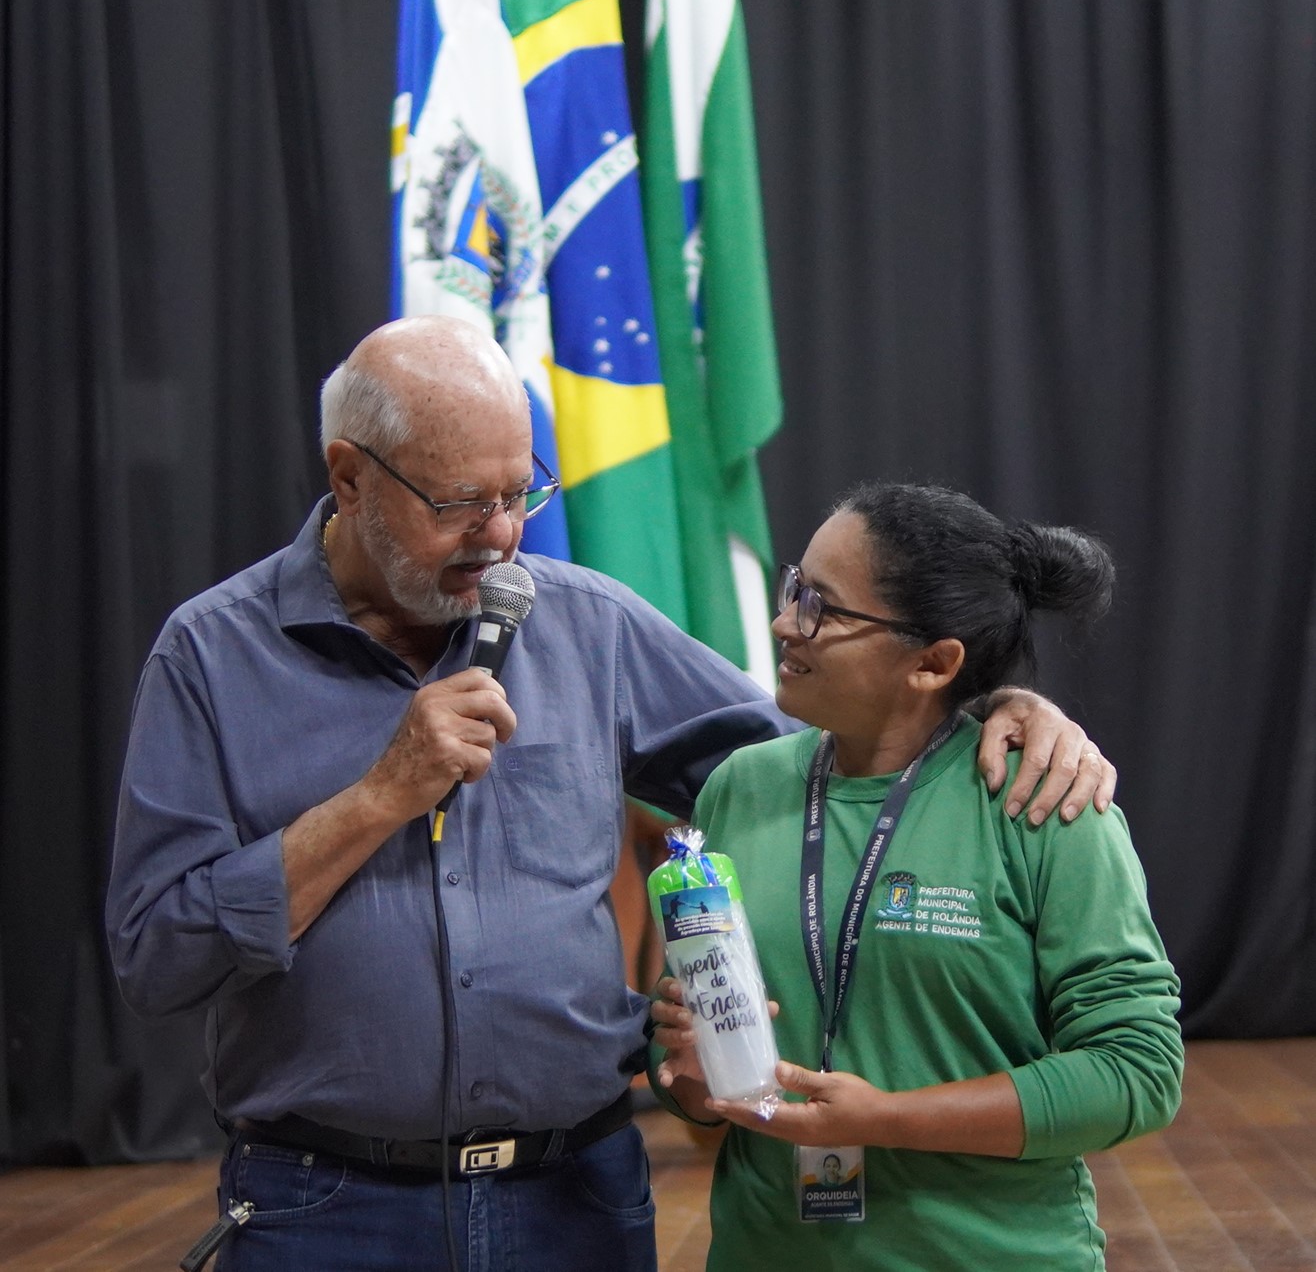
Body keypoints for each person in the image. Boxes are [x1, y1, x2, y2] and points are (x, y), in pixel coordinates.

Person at [105, 317, 1116, 1272]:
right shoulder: (211, 656)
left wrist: (986, 703)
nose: (502, 536)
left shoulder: (587, 626)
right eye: (461, 503)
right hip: (328, 1208)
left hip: (574, 1197)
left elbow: (836, 761)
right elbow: (158, 956)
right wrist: (377, 797)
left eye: (521, 493)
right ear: (349, 477)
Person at [650, 483, 1182, 1272]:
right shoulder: (741, 786)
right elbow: (688, 1071)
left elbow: (1136, 1070)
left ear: (933, 663)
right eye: (795, 588)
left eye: (821, 608)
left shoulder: (1043, 799)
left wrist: (884, 1119)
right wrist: (690, 1072)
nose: (784, 623)